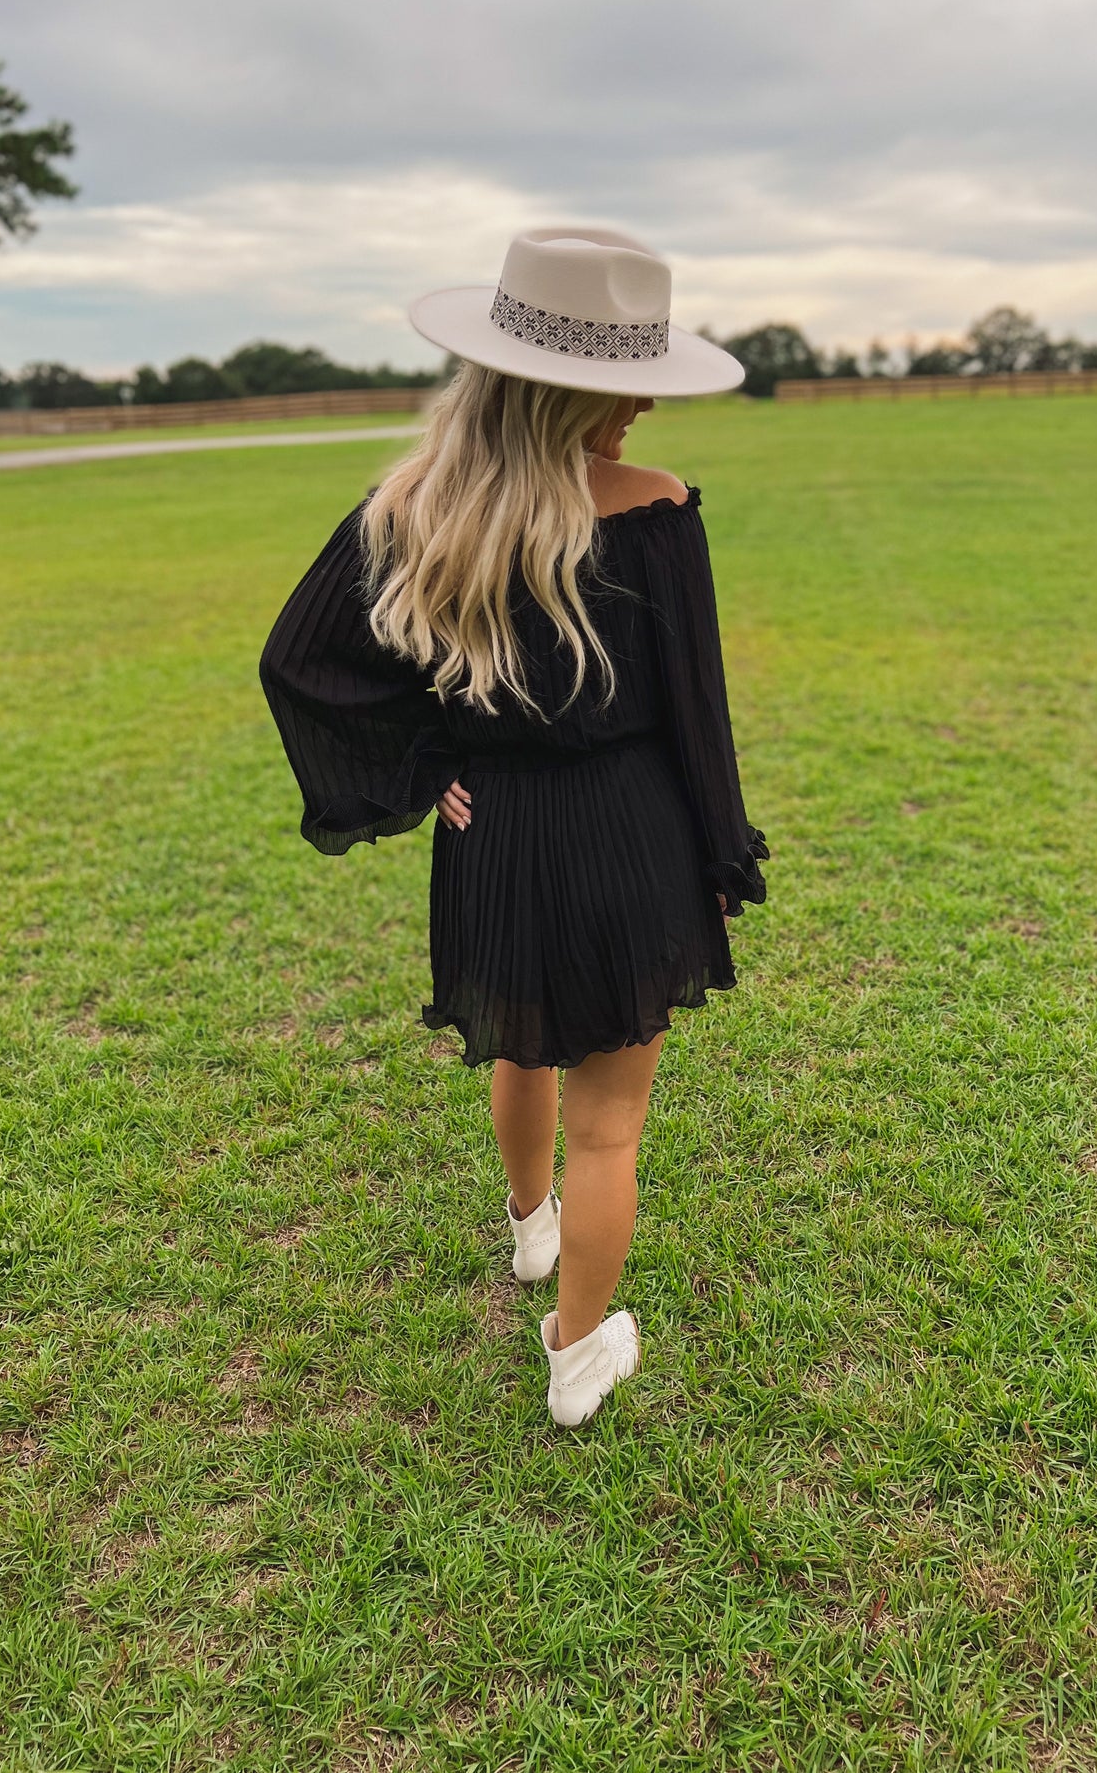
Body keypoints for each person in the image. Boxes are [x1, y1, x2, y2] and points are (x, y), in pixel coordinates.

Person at [260, 226, 767, 1427]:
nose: (642, 401)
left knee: (519, 1045)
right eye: (626, 377)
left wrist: (425, 765)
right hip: (631, 835)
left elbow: (302, 663)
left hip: (493, 835)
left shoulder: (412, 507)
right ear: (568, 386)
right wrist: (718, 854)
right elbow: (699, 713)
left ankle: (529, 1232)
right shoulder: (655, 512)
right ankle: (578, 1357)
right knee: (612, 1127)